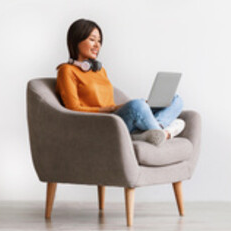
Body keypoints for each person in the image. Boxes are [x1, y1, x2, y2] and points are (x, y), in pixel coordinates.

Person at [55, 18, 185, 144]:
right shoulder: (67, 71)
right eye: (92, 39)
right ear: (76, 40)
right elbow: (73, 109)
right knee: (137, 105)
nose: (97, 45)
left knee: (175, 99)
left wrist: (142, 105)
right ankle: (165, 132)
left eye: (99, 41)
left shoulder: (100, 71)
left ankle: (153, 131)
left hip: (118, 117)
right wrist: (111, 109)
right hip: (104, 123)